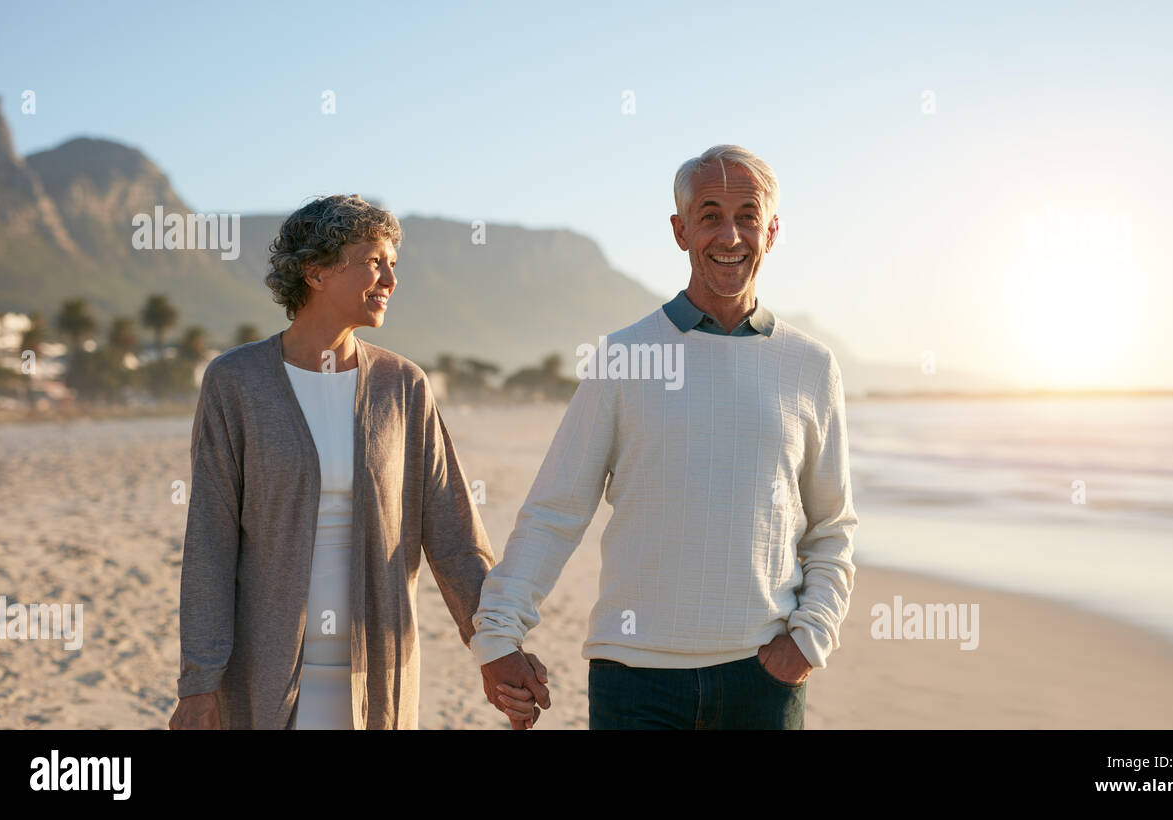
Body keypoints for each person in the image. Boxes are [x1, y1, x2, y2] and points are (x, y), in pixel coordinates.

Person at [472, 145, 859, 729]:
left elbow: (831, 526)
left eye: (747, 216)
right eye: (709, 215)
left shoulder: (810, 365)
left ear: (772, 231)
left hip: (763, 682)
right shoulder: (624, 357)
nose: (730, 235)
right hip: (635, 681)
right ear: (680, 231)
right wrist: (498, 633)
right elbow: (556, 511)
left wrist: (810, 639)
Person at [168, 194, 545, 730]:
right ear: (315, 270)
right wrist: (200, 683)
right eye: (374, 261)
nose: (391, 279)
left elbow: (455, 533)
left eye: (393, 264)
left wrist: (497, 644)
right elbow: (210, 540)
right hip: (266, 675)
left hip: (376, 676)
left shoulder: (403, 385)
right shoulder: (236, 382)